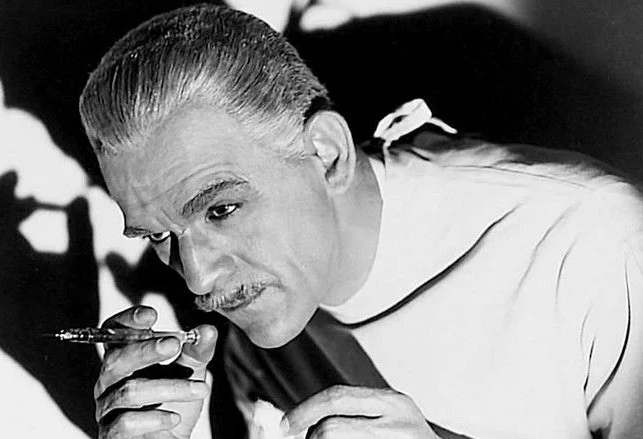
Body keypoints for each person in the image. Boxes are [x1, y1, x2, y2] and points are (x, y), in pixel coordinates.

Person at [78, 4, 643, 438]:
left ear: (327, 154)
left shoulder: (593, 241)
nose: (198, 279)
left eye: (221, 209)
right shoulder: (256, 337)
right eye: (158, 235)